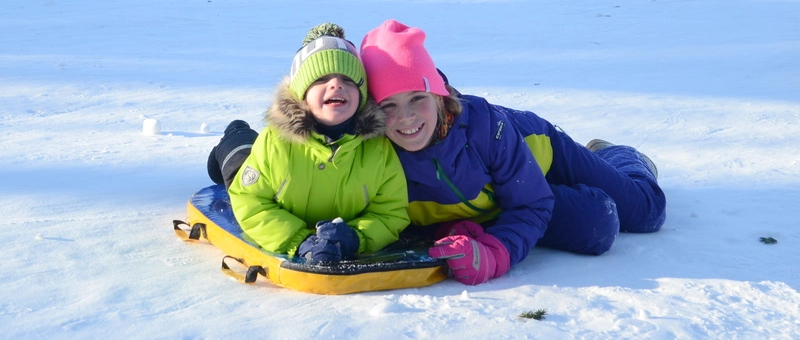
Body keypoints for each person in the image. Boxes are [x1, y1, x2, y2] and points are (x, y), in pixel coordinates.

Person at [359, 19, 666, 285]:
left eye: (417, 98)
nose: (406, 116)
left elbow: (530, 204)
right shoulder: (377, 156)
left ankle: (617, 157)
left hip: (541, 153)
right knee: (594, 223)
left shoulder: (483, 126)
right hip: (498, 203)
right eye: (388, 105)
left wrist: (495, 253)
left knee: (645, 211)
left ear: (439, 95)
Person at [207, 23, 410, 263]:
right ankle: (235, 133)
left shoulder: (378, 149)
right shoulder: (275, 143)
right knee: (238, 162)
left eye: (348, 79)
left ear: (361, 94)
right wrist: (299, 240)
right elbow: (249, 201)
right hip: (257, 165)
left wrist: (356, 237)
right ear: (302, 92)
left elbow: (391, 211)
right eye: (322, 79)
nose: (336, 84)